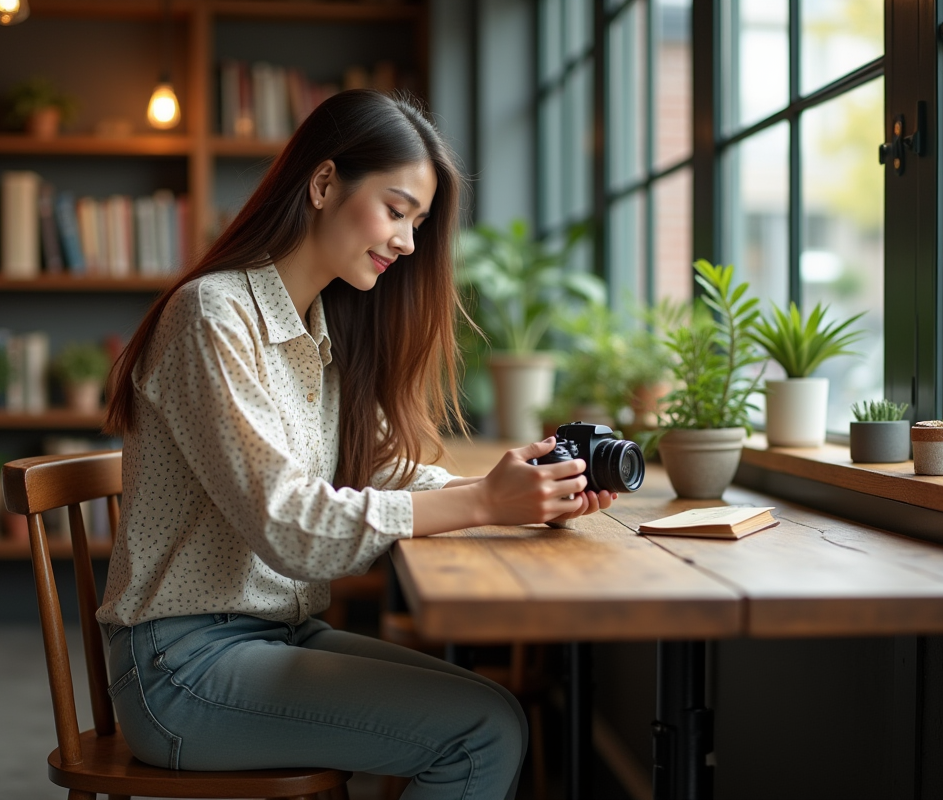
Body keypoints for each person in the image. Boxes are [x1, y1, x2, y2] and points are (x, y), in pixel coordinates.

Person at [96, 89, 616, 800]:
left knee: (496, 713)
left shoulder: (319, 335)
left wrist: (519, 491)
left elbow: (385, 471)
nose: (407, 241)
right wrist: (479, 503)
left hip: (275, 635)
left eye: (419, 222)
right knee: (482, 732)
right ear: (322, 184)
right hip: (181, 667)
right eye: (396, 210)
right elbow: (290, 527)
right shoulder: (212, 316)